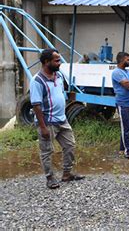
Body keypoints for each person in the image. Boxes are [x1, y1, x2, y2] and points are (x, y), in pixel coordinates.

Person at [30, 48, 85, 189]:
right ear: (46, 62)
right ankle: (50, 178)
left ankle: (67, 174)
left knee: (70, 145)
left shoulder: (58, 75)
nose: (59, 63)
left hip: (62, 119)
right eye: (57, 60)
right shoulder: (37, 81)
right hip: (48, 122)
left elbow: (61, 93)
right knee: (47, 151)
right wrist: (43, 127)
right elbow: (36, 105)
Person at [112, 52, 129, 160]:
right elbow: (128, 86)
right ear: (122, 60)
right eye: (127, 60)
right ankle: (128, 151)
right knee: (126, 128)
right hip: (123, 104)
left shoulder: (128, 71)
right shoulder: (116, 72)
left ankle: (121, 148)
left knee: (127, 127)